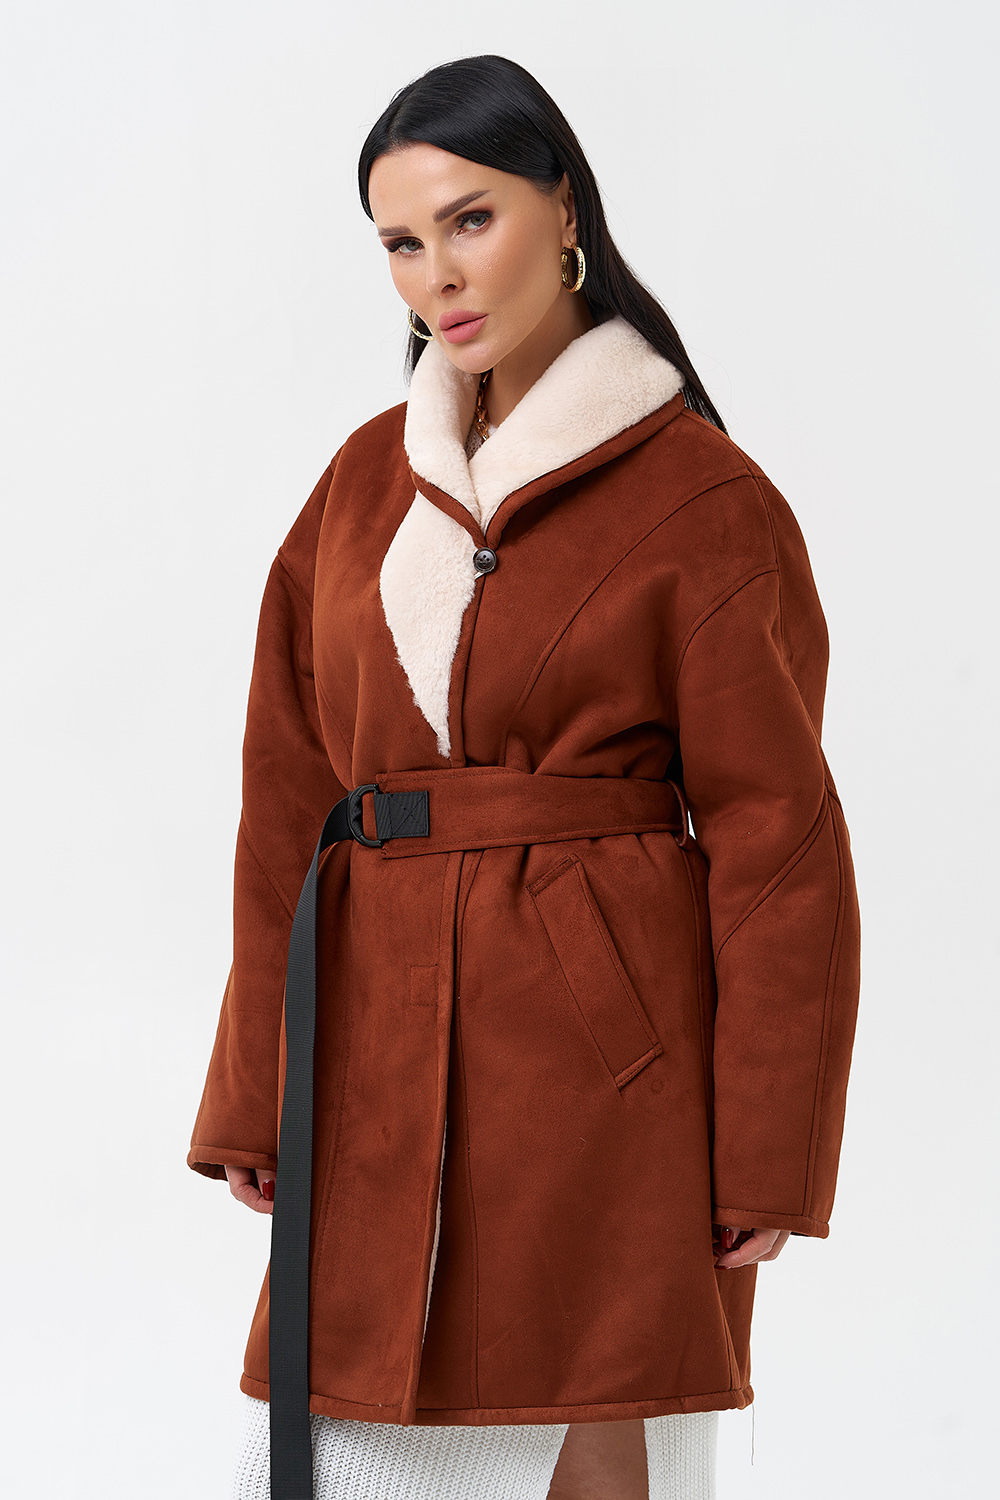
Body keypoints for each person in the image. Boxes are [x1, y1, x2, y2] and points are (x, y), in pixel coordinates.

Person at [187, 53, 862, 1500]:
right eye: (399, 242)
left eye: (469, 220)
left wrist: (769, 1149)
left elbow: (779, 839)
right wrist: (254, 1087)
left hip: (605, 1063)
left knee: (607, 1440)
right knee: (324, 1452)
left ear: (565, 209)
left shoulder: (704, 500)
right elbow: (285, 797)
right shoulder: (362, 484)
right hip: (375, 1047)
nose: (435, 275)